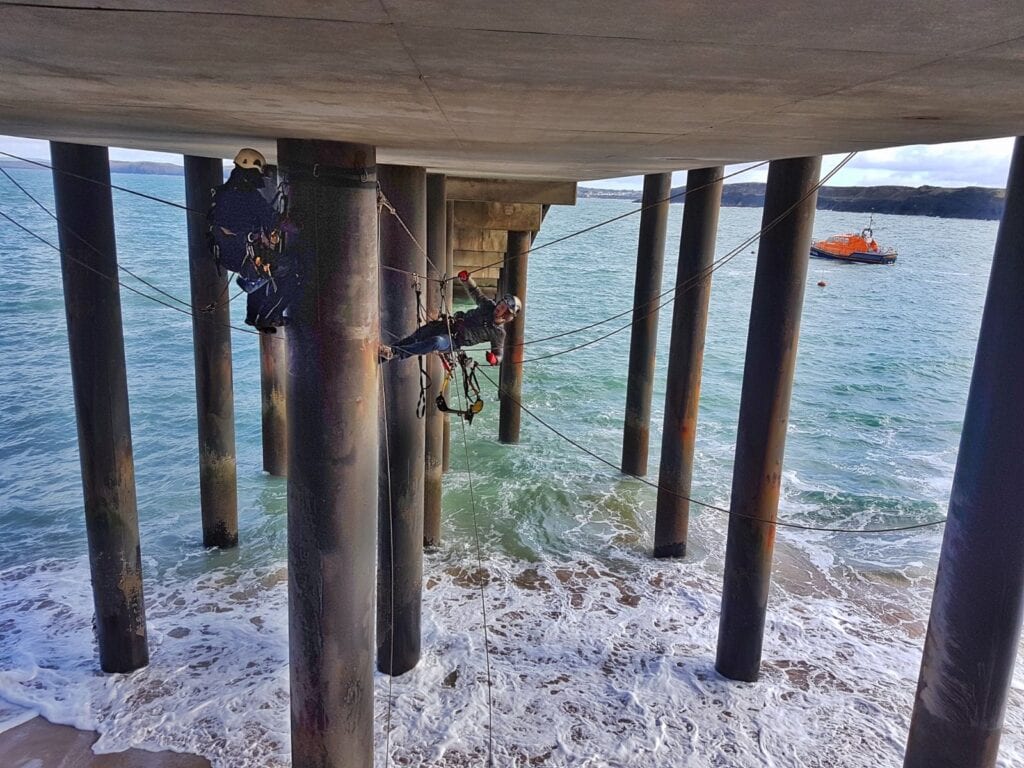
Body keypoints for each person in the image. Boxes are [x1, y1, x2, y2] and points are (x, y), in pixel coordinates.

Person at [208, 148, 297, 333]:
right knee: (292, 272)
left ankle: (252, 315)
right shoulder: (249, 196)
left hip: (226, 255)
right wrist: (297, 227)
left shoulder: (221, 192)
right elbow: (272, 220)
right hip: (243, 256)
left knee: (259, 267)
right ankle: (268, 317)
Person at [380, 271, 521, 364]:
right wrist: (467, 280)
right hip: (448, 324)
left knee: (436, 342)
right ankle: (387, 354)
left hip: (453, 341)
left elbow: (499, 355)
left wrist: (494, 359)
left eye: (502, 308)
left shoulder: (498, 333)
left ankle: (394, 352)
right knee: (415, 338)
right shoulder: (488, 306)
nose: (498, 307)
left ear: (507, 315)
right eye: (500, 304)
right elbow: (475, 293)